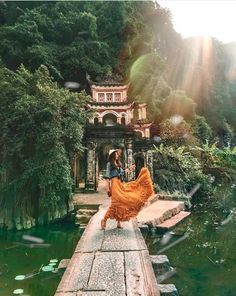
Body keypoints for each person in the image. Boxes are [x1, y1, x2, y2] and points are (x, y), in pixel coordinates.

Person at [101, 149, 154, 229]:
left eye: (117, 154)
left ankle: (118, 223)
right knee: (115, 203)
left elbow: (122, 172)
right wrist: (107, 187)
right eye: (115, 154)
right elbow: (107, 176)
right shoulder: (109, 164)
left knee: (122, 201)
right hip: (114, 184)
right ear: (112, 155)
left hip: (120, 183)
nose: (117, 155)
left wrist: (130, 169)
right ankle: (104, 219)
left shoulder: (118, 163)